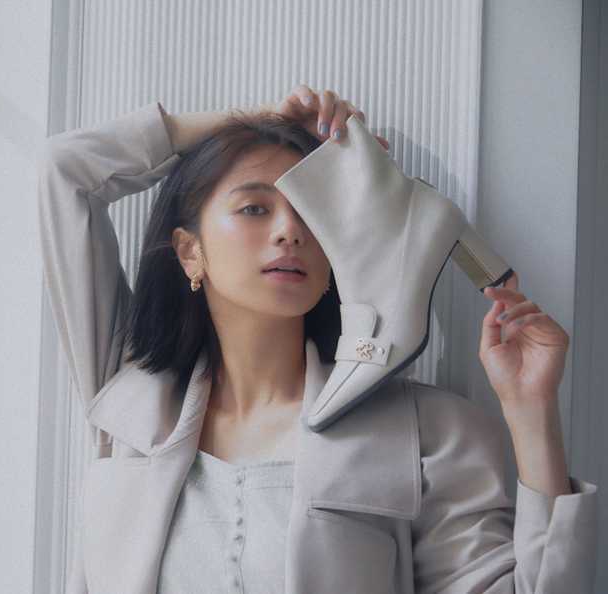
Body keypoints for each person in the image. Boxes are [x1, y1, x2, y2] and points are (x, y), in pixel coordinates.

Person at [39, 86, 598, 593]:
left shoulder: (428, 433)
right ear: (190, 252)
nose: (289, 231)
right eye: (254, 208)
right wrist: (261, 120)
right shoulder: (129, 397)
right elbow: (68, 170)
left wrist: (531, 410)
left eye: (310, 213)